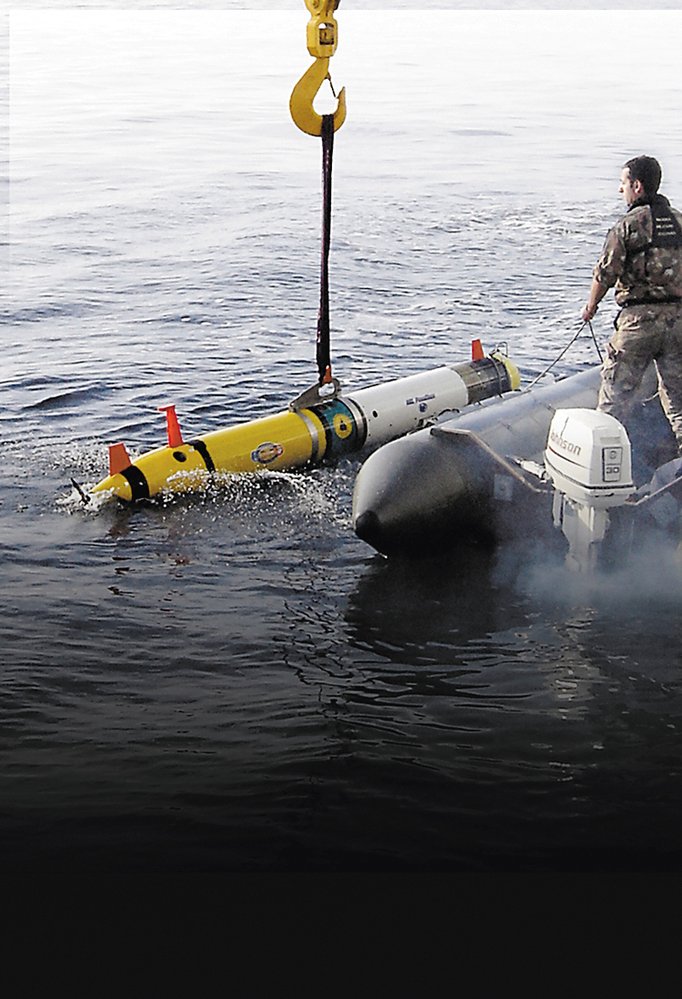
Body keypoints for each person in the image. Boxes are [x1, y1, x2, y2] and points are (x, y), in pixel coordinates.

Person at [582, 155, 682, 455]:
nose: (620, 190)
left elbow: (605, 274)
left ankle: (604, 476)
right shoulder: (679, 222)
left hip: (637, 325)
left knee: (613, 405)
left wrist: (591, 307)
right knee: (679, 403)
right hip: (678, 323)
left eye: (623, 183)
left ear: (636, 186)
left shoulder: (626, 227)